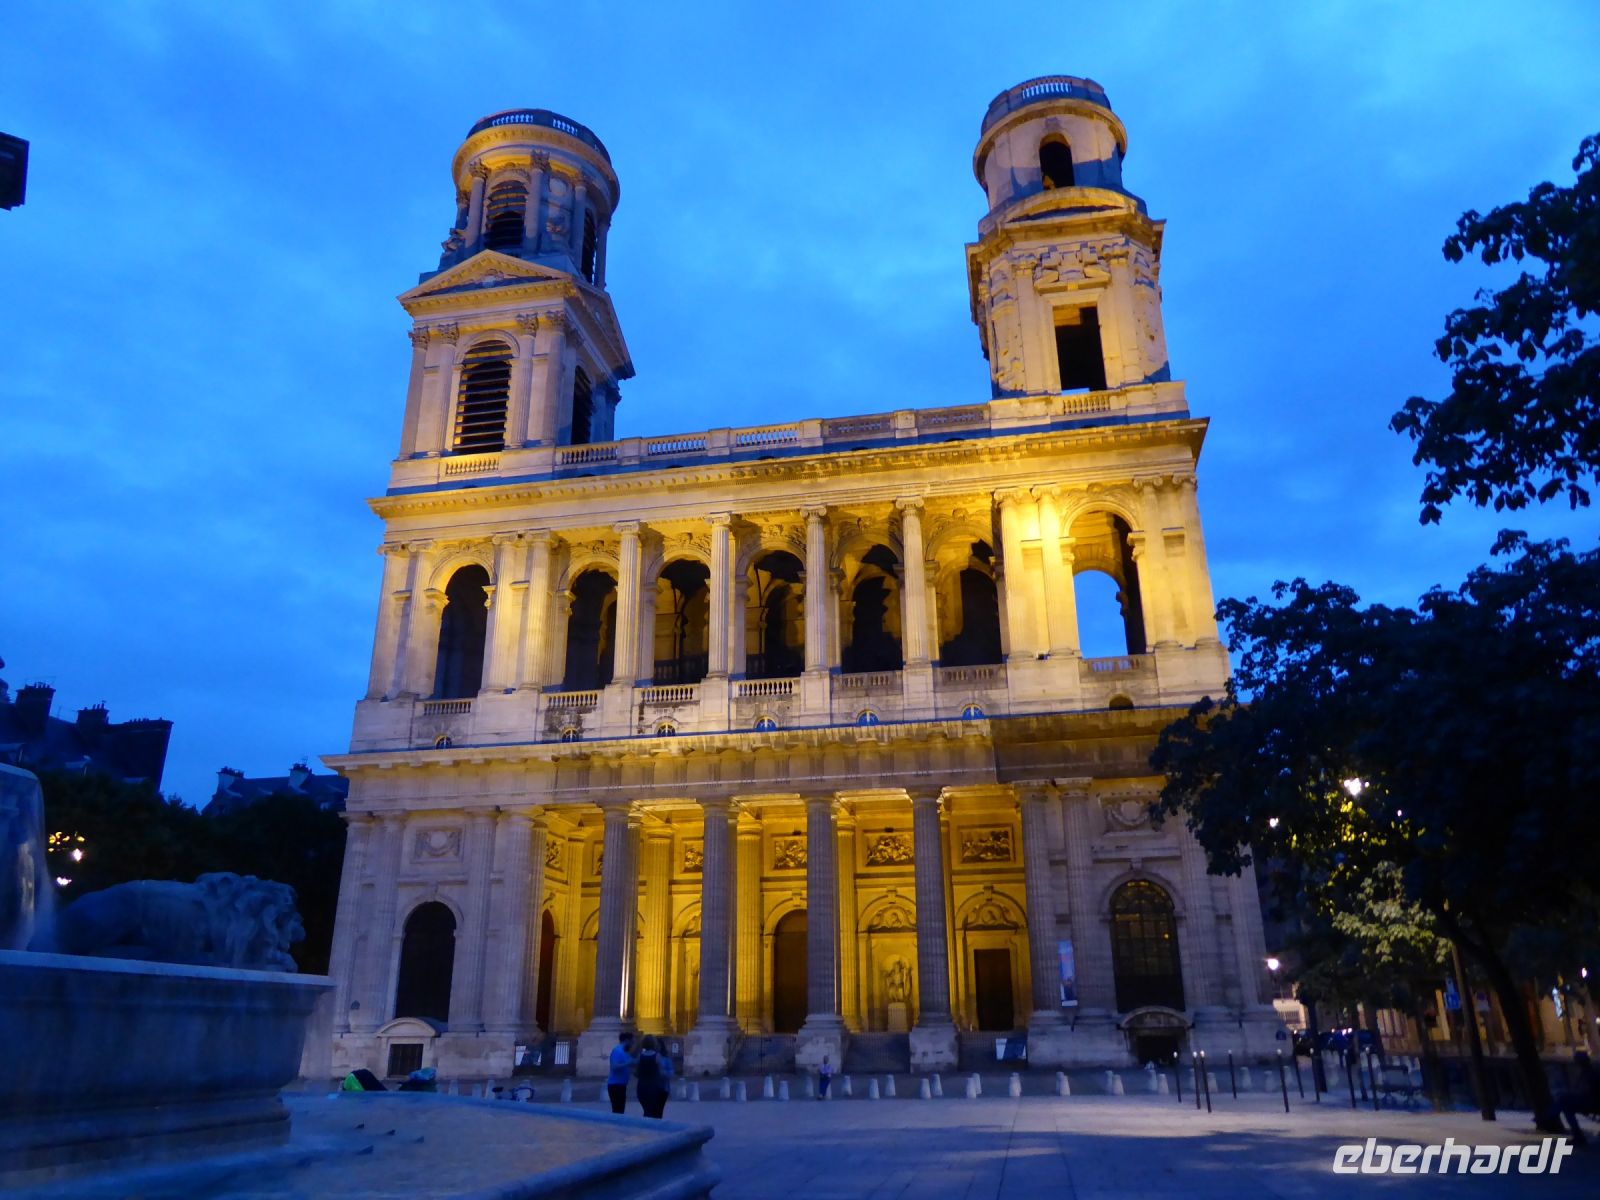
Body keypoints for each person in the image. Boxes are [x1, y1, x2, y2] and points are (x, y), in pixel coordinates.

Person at [1546, 1050, 1600, 1146]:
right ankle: (1577, 1135)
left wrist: (1573, 1094)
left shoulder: (1591, 1074)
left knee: (1564, 1099)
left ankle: (1550, 1116)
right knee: (1566, 1105)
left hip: (1594, 1103)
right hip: (1592, 1101)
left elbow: (1588, 1092)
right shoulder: (1589, 1072)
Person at [635, 1034, 672, 1119]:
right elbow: (661, 1071)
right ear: (654, 1044)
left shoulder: (640, 1056)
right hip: (654, 1087)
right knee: (654, 1113)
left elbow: (636, 1072)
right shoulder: (657, 1056)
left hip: (641, 1087)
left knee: (647, 1111)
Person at [606, 1031, 635, 1114]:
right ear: (627, 1040)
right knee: (617, 1111)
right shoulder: (617, 1051)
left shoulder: (625, 1052)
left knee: (620, 1110)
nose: (632, 1044)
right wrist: (629, 1063)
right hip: (615, 1085)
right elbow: (614, 1066)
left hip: (621, 1085)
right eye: (632, 1042)